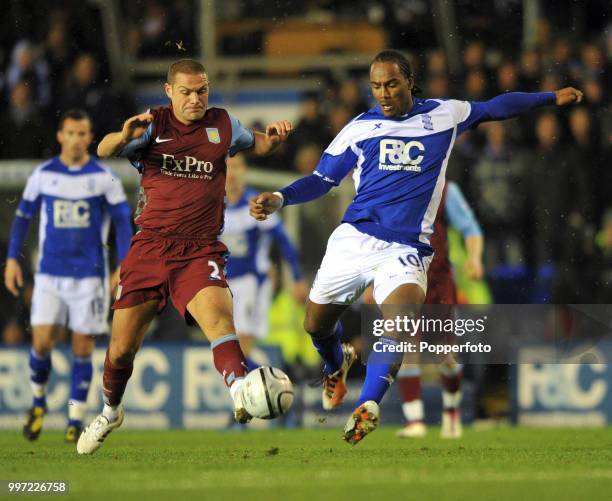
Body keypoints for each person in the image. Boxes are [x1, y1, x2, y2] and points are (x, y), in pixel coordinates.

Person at [249, 49, 583, 445]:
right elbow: (322, 179)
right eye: (375, 86)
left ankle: (367, 406)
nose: (383, 93)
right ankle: (335, 365)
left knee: (402, 322)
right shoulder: (359, 127)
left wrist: (549, 98)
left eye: (391, 83)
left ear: (409, 80)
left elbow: (496, 106)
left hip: (405, 248)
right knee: (315, 325)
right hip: (355, 238)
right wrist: (281, 198)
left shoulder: (445, 114)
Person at [77, 59, 291, 455]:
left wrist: (272, 139)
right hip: (150, 248)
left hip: (199, 248)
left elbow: (253, 141)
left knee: (219, 318)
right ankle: (110, 410)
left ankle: (240, 389)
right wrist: (121, 136)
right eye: (187, 92)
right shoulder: (152, 125)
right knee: (122, 349)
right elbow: (105, 149)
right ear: (168, 91)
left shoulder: (223, 125)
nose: (196, 99)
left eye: (202, 90)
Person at [4, 109, 132, 443]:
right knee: (42, 343)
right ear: (61, 136)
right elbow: (22, 218)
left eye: (82, 134)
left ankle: (75, 419)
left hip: (90, 277)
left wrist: (124, 264)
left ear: (90, 138)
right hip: (49, 275)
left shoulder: (104, 177)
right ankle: (38, 402)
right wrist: (12, 260)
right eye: (70, 133)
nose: (76, 140)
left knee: (81, 348)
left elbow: (122, 222)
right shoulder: (44, 175)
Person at [395, 181, 483, 439]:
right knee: (407, 348)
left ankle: (451, 411)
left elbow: (470, 228)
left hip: (438, 283)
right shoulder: (396, 187)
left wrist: (474, 258)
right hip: (405, 279)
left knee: (444, 354)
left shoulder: (446, 190)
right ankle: (415, 421)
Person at [223, 152, 306, 369]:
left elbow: (284, 241)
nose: (232, 173)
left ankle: (252, 384)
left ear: (245, 171)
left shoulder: (256, 205)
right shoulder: (212, 207)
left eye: (237, 166)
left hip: (252, 281)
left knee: (240, 340)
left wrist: (297, 278)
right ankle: (258, 372)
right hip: (222, 284)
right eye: (228, 166)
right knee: (229, 342)